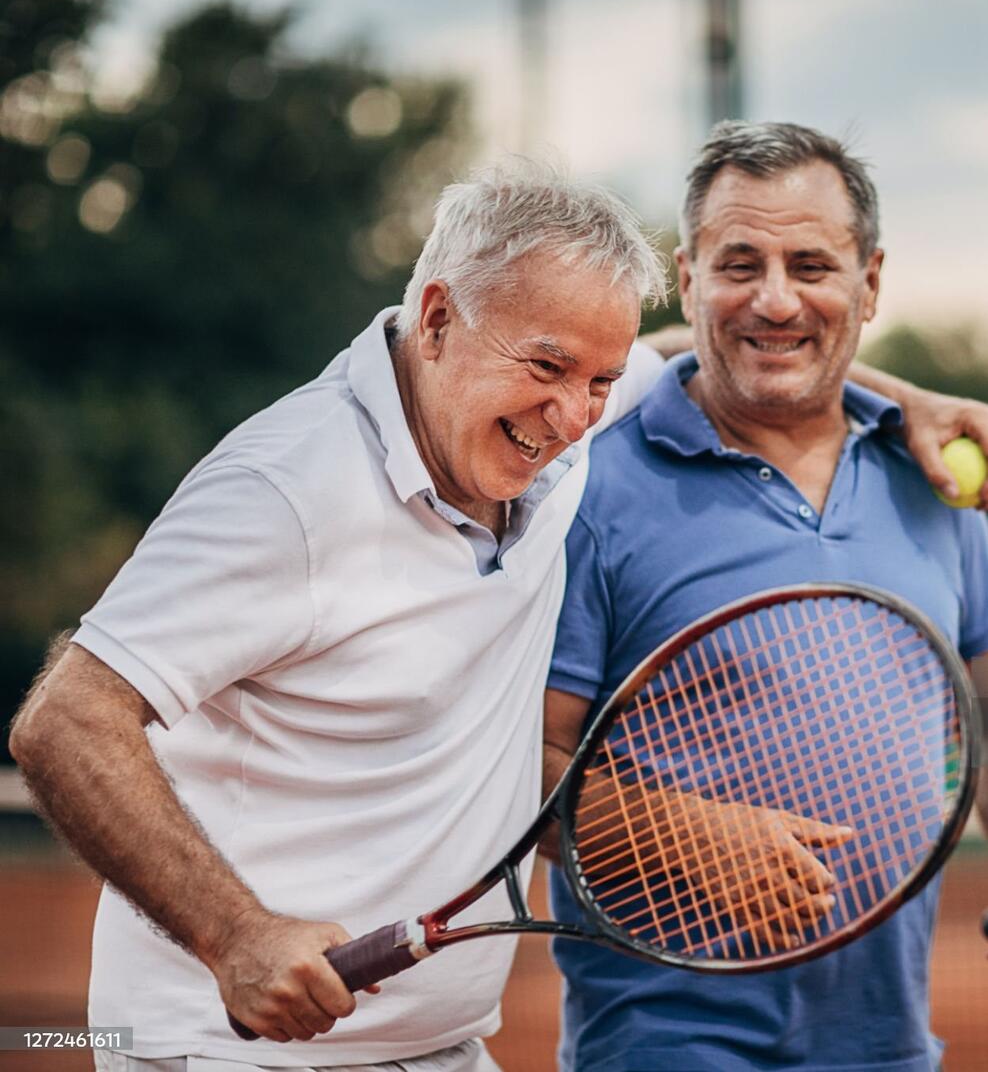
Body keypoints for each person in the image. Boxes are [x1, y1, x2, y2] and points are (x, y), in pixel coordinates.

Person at [9, 156, 988, 1072]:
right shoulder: (284, 492)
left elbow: (719, 350)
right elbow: (65, 720)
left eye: (601, 382)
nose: (574, 415)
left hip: (436, 1041)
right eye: (548, 368)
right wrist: (236, 935)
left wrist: (903, 394)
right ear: (436, 319)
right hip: (232, 1045)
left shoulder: (548, 441)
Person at [543, 121, 988, 1072]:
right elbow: (511, 769)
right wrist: (690, 836)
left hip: (888, 1041)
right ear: (689, 277)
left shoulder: (941, 487)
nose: (776, 299)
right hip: (669, 1041)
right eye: (740, 263)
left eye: (813, 265)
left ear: (870, 282)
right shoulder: (587, 492)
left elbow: (984, 706)